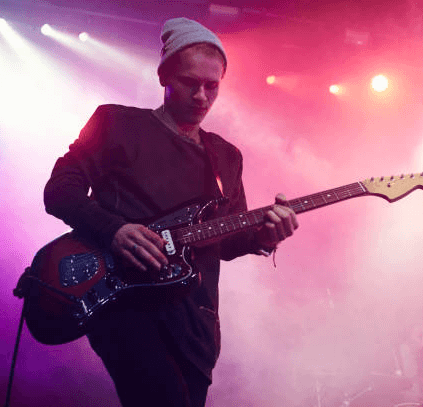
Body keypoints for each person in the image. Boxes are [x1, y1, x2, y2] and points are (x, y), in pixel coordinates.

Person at [43, 17, 298, 407]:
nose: (201, 96)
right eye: (189, 83)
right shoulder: (115, 123)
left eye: (212, 86)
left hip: (195, 322)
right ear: (165, 76)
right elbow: (60, 190)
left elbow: (227, 241)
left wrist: (264, 236)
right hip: (126, 304)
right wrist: (115, 229)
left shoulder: (226, 157)